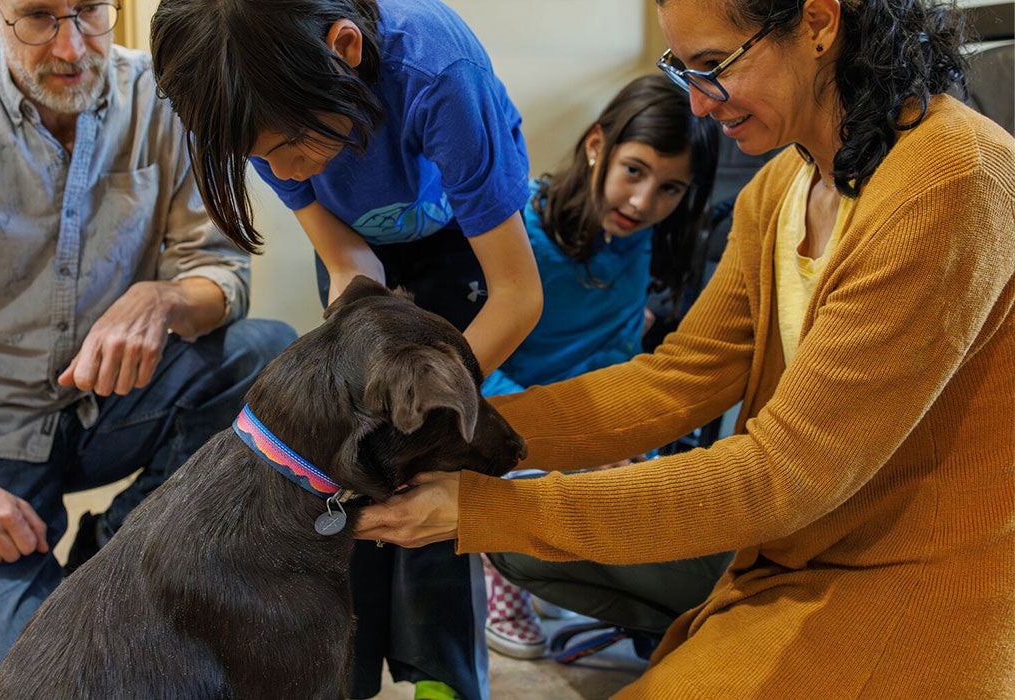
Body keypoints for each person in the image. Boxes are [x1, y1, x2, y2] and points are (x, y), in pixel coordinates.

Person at [358, 0, 1015, 695]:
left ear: (819, 23)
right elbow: (675, 379)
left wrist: (482, 508)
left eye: (712, 67)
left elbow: (779, 476)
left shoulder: (952, 181)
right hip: (791, 552)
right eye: (685, 70)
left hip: (912, 580)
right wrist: (455, 432)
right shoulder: (782, 187)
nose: (698, 107)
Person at [0, 1, 296, 697]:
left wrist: (162, 299)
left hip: (106, 406)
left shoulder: (162, 99)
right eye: (38, 17)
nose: (71, 46)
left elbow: (221, 272)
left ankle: (116, 555)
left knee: (264, 358)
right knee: (4, 683)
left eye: (89, 12)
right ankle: (44, 574)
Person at [150, 2, 540, 699]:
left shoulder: (438, 73)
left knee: (435, 460)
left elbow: (517, 292)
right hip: (359, 254)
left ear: (346, 49)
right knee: (347, 459)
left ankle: (443, 677)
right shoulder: (253, 104)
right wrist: (364, 349)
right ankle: (345, 675)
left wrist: (430, 403)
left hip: (462, 245)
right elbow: (346, 258)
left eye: (292, 147)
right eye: (263, 158)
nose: (284, 167)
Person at [476, 74, 727, 661]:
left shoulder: (640, 244)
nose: (643, 203)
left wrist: (617, 439)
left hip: (573, 421)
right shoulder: (521, 237)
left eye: (670, 189)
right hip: (503, 416)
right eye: (634, 171)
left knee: (649, 480)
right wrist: (558, 438)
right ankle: (500, 577)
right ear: (596, 146)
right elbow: (475, 368)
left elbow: (617, 359)